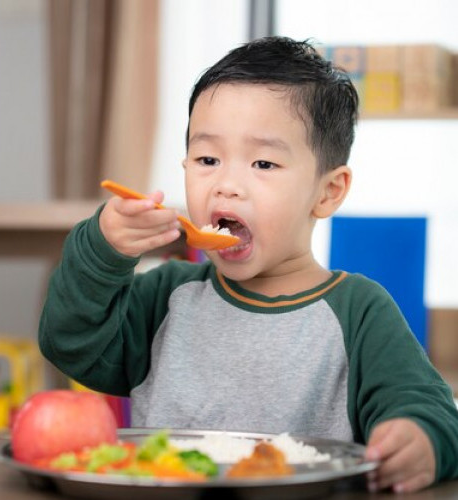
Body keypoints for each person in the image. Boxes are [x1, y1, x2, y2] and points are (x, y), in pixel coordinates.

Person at [38, 36, 458, 493]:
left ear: (328, 192)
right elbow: (68, 342)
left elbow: (431, 412)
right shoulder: (167, 296)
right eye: (207, 159)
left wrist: (421, 441)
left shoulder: (361, 313)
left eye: (263, 162)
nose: (226, 184)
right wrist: (102, 250)